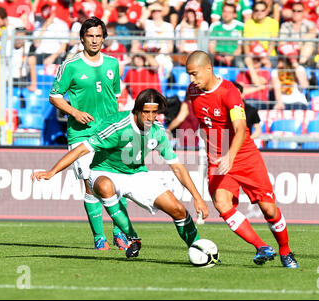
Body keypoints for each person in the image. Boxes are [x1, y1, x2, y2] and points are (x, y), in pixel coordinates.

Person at [32, 89, 209, 258]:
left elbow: (177, 166)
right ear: (137, 110)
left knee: (178, 210)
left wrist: (197, 197)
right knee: (104, 186)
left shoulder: (157, 131)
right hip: (104, 172)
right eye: (146, 112)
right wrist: (52, 172)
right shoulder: (118, 126)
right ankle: (132, 237)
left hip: (137, 174)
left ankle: (201, 250)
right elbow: (80, 150)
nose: (150, 117)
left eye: (154, 112)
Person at [185, 50, 298, 268]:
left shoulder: (229, 93)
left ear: (209, 69)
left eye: (194, 74)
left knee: (269, 210)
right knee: (221, 203)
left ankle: (286, 252)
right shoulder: (193, 91)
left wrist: (230, 155)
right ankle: (261, 246)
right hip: (218, 159)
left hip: (244, 156)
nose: (191, 80)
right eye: (189, 74)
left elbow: (240, 128)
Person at [49, 17, 129, 251]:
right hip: (81, 134)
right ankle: (99, 237)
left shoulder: (113, 64)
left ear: (104, 39)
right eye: (90, 36)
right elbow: (54, 96)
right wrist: (74, 111)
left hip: (110, 132)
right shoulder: (71, 66)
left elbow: (114, 98)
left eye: (98, 36)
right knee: (91, 185)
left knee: (119, 184)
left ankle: (119, 234)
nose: (94, 40)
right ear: (82, 38)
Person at [278, 1, 317, 67]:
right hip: (289, 54)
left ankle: (301, 65)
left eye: (299, 11)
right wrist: (296, 46)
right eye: (294, 11)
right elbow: (282, 43)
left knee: (310, 43)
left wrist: (298, 44)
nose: (296, 13)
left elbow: (313, 34)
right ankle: (298, 66)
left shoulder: (309, 24)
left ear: (303, 12)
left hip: (304, 54)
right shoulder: (285, 25)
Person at [243, 1, 279, 68]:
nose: (259, 13)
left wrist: (265, 57)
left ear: (267, 11)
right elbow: (246, 44)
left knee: (267, 63)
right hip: (253, 56)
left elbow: (272, 42)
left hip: (269, 56)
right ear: (253, 11)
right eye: (257, 10)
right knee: (248, 62)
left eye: (262, 10)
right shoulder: (248, 23)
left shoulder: (273, 23)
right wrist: (249, 58)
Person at [208, 2, 244, 67]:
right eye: (224, 11)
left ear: (235, 14)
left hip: (233, 57)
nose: (226, 14)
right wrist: (219, 57)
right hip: (217, 56)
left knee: (239, 63)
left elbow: (239, 48)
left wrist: (230, 58)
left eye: (229, 12)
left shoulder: (241, 27)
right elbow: (211, 47)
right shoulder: (215, 26)